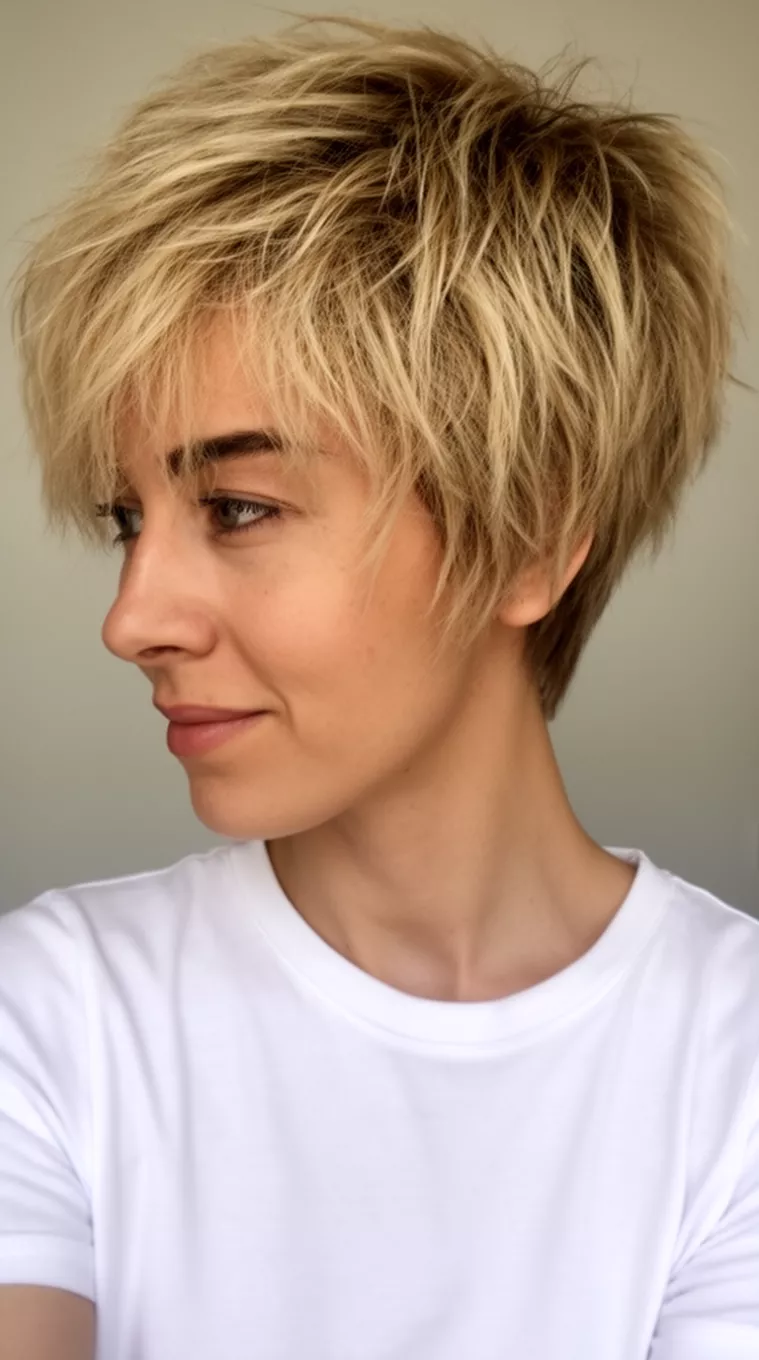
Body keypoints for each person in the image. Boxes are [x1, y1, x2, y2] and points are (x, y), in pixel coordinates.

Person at [2, 13, 755, 1359]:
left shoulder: (732, 1062)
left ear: (527, 534)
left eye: (234, 507)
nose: (132, 619)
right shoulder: (50, 1014)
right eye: (131, 521)